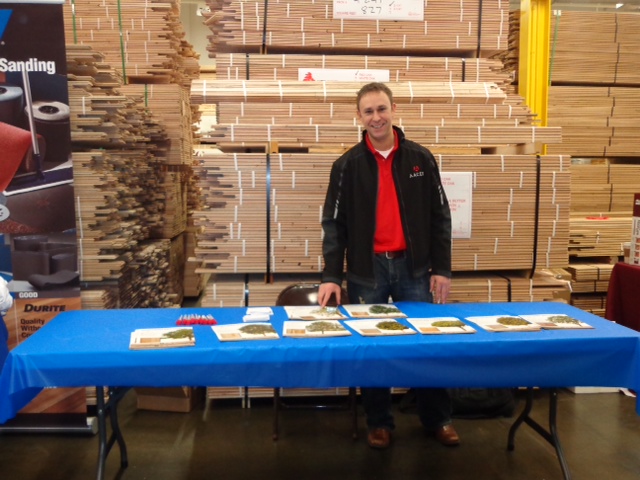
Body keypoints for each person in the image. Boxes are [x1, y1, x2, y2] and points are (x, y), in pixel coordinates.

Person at [317, 82, 458, 450]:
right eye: (368, 111)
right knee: (373, 347)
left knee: (427, 343)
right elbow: (334, 225)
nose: (376, 117)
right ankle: (379, 422)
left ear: (394, 109)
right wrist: (331, 276)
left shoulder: (420, 158)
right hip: (368, 271)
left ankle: (438, 419)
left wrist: (441, 268)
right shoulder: (346, 166)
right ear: (359, 117)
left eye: (382, 109)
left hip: (415, 269)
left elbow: (440, 216)